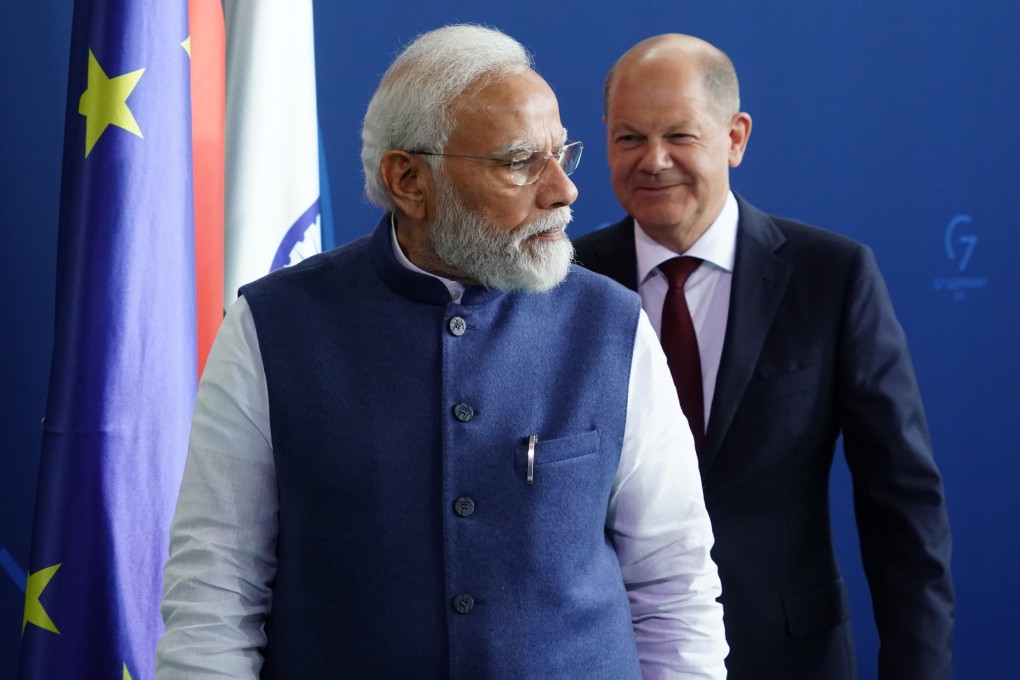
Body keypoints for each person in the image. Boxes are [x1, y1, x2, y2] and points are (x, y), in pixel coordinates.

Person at [157, 25, 728, 679]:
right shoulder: (271, 328)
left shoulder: (612, 324)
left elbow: (675, 586)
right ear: (408, 180)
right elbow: (213, 597)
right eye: (519, 162)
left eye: (560, 156)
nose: (562, 192)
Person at [574, 34, 954, 680]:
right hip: (614, 660)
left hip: (791, 658)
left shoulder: (832, 278)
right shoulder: (565, 287)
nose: (653, 161)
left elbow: (903, 510)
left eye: (680, 136)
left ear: (736, 137)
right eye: (629, 138)